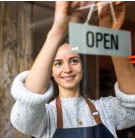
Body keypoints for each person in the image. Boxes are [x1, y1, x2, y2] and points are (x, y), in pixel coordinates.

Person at [10, 1, 135, 138]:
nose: (67, 69)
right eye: (58, 63)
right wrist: (58, 31)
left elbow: (132, 106)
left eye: (73, 61)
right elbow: (22, 117)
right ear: (50, 72)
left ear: (82, 66)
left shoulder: (106, 109)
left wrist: (110, 34)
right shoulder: (46, 116)